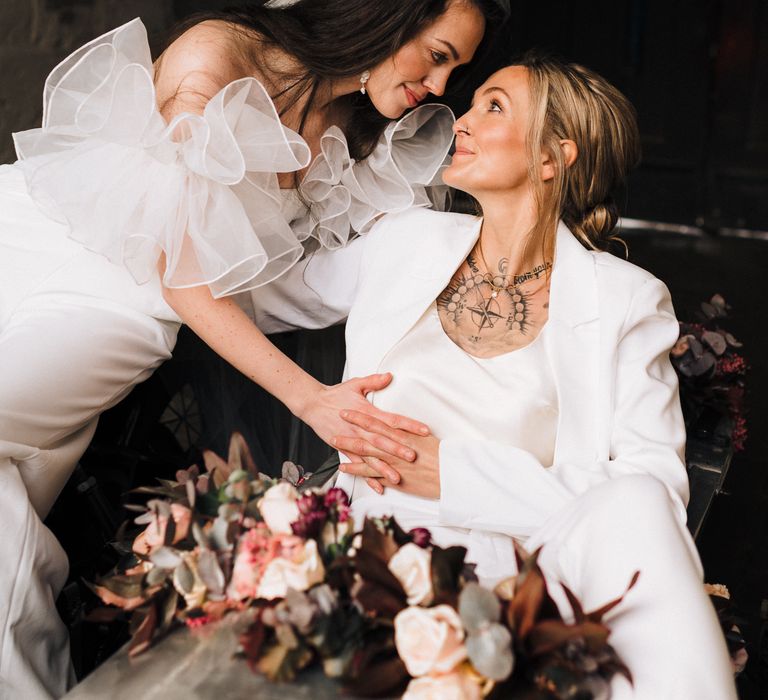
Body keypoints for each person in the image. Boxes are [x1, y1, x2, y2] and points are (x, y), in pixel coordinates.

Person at [0, 1, 506, 696]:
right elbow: (181, 270)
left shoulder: (357, 129)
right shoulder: (220, 57)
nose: (443, 86)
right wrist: (311, 398)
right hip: (51, 280)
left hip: (126, 335)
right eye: (440, 54)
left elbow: (347, 258)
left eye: (459, 69)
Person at [248, 55, 738, 697]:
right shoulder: (403, 240)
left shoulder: (625, 299)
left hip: (529, 569)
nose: (463, 120)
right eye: (474, 104)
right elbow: (253, 291)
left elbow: (651, 494)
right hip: (378, 550)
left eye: (494, 107)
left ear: (551, 158)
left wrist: (453, 474)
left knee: (638, 500)